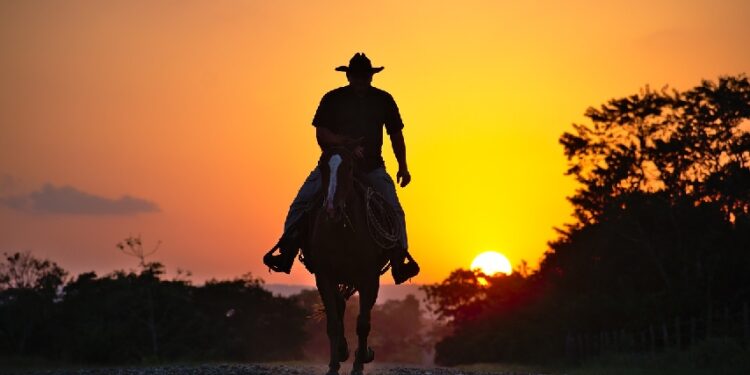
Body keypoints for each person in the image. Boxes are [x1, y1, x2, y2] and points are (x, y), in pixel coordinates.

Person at [263, 53, 419, 284]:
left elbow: (396, 134)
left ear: (371, 77)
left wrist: (403, 167)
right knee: (301, 203)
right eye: (356, 76)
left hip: (371, 167)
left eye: (364, 76)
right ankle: (286, 252)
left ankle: (399, 260)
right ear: (348, 75)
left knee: (394, 209)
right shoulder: (332, 99)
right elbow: (321, 133)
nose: (360, 80)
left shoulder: (384, 100)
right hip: (333, 165)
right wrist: (345, 144)